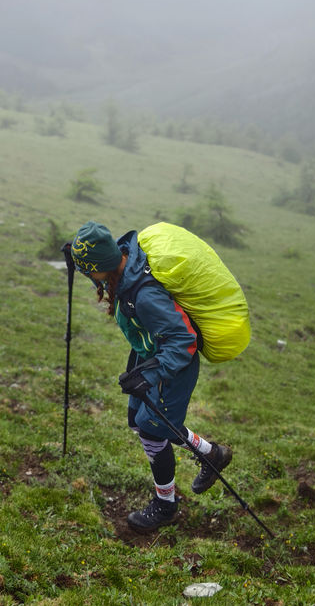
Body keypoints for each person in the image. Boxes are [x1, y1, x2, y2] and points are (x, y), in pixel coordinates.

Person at [71, 220, 232, 533]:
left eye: (88, 272)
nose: (91, 280)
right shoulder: (121, 264)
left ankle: (166, 505)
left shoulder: (144, 295)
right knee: (141, 421)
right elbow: (101, 265)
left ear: (100, 266)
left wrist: (152, 375)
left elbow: (184, 340)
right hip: (150, 357)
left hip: (173, 366)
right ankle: (212, 453)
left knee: (152, 429)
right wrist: (75, 256)